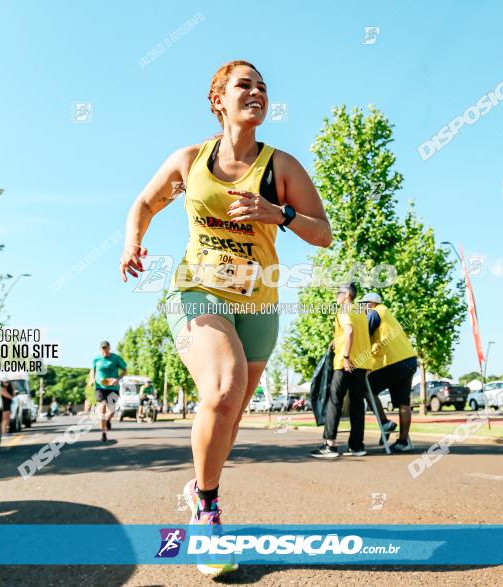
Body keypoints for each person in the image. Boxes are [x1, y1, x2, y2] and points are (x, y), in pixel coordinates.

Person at [118, 60, 331, 577]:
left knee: (229, 412)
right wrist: (133, 243)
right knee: (222, 387)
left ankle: (196, 487)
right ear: (219, 100)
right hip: (197, 291)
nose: (256, 92)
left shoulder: (282, 167)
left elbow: (322, 233)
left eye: (263, 86)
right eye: (245, 85)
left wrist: (276, 213)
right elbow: (144, 203)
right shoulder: (191, 160)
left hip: (259, 301)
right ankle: (207, 514)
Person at [311, 282, 373, 458]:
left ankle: (329, 445)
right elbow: (355, 333)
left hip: (346, 362)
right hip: (362, 362)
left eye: (338, 293)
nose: (336, 296)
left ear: (346, 295)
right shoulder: (361, 312)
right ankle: (357, 446)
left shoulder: (344, 310)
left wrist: (345, 357)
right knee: (357, 404)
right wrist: (335, 341)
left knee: (334, 401)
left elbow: (349, 331)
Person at [360, 292, 417, 452]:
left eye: (363, 305)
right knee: (403, 403)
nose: (361, 309)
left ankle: (385, 422)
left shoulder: (375, 312)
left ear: (370, 304)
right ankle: (403, 442)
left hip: (394, 362)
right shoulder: (387, 313)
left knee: (366, 389)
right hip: (409, 360)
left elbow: (363, 336)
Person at [89, 340, 127, 441]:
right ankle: (104, 433)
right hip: (100, 387)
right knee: (102, 408)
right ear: (100, 349)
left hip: (113, 388)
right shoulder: (96, 359)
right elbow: (92, 370)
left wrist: (117, 379)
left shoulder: (116, 358)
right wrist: (92, 379)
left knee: (111, 410)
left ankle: (107, 420)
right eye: (103, 348)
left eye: (106, 348)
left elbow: (125, 370)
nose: (104, 350)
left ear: (109, 348)